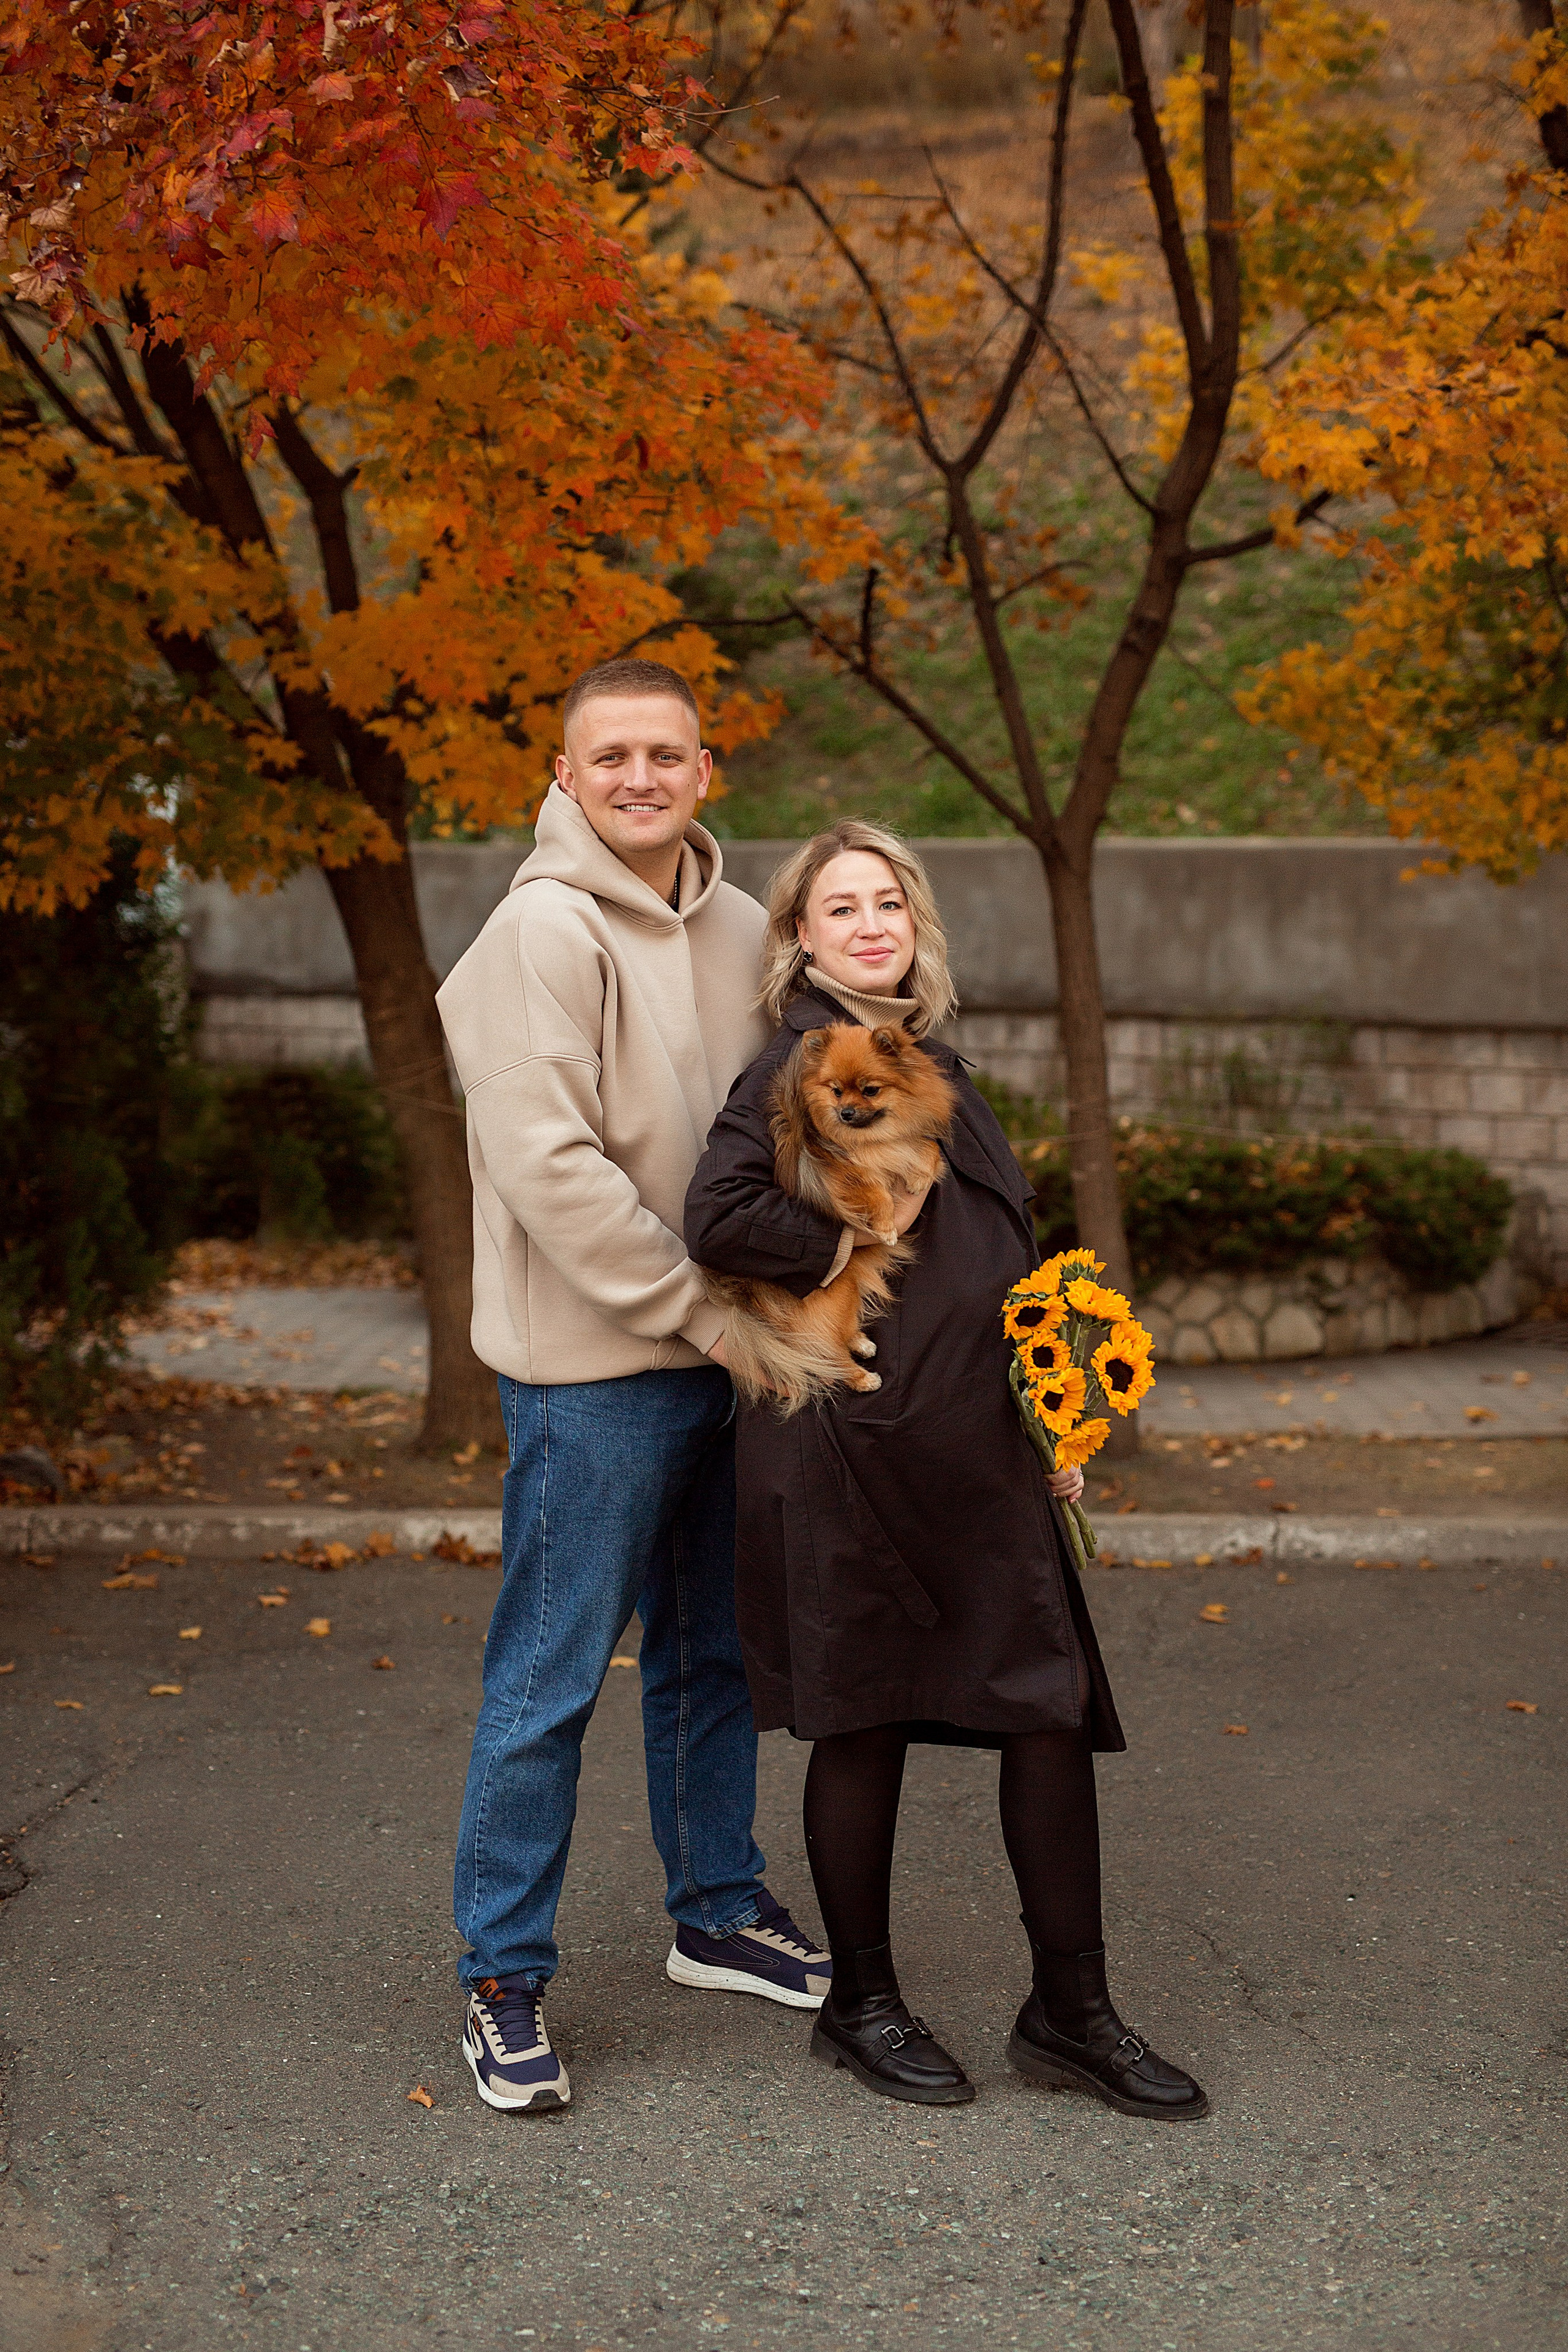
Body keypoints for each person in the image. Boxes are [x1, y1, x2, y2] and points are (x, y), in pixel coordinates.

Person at [684, 819, 1207, 2116]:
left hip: (981, 1448)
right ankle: (860, 2007)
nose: (868, 925)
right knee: (860, 1720)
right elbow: (719, 1220)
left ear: (913, 924)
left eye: (886, 905)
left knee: (1043, 1715)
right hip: (849, 1451)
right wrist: (862, 1213)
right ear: (798, 937)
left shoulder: (938, 1063)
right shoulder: (799, 1064)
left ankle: (1070, 2011)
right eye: (839, 908)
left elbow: (1003, 1261)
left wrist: (1050, 1411)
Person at [435, 658, 829, 2115]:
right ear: (565, 771)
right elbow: (547, 1171)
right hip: (597, 1373)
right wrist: (697, 1314)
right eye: (611, 756)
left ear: (705, 769)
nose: (641, 777)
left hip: (733, 1360)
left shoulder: (742, 929)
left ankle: (717, 1906)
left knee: (711, 1655)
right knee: (546, 1679)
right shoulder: (535, 935)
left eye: (666, 753)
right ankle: (500, 1975)